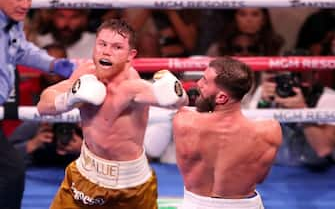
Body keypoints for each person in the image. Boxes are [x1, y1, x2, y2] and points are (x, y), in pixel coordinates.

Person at [37, 18, 188, 209]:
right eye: (102, 44)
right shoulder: (86, 74)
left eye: (117, 47)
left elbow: (178, 101)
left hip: (131, 186)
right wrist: (67, 99)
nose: (106, 51)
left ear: (130, 55)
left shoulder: (132, 88)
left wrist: (174, 91)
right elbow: (44, 104)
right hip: (85, 174)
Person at [172, 57, 282, 209]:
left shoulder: (184, 121)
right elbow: (260, 178)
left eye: (205, 81)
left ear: (222, 97)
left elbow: (193, 110)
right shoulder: (269, 131)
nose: (198, 84)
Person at [0, 0, 75, 208]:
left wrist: (54, 64)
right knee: (10, 172)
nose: (25, 4)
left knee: (10, 173)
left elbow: (21, 50)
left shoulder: (10, 22)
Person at [247, 70, 335, 167]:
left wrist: (302, 111)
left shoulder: (328, 97)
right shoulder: (266, 92)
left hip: (316, 173)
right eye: (284, 76)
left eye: (298, 75)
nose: (290, 82)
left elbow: (323, 149)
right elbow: (250, 147)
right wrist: (263, 106)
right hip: (275, 171)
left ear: (314, 76)